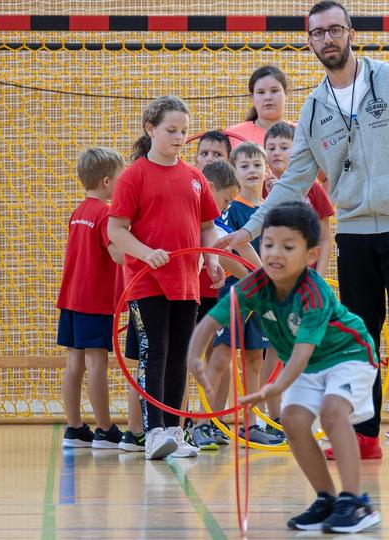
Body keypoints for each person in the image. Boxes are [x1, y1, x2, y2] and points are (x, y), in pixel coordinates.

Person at [217, 0, 389, 463]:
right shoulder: (314, 108)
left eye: (335, 30)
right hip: (354, 231)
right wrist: (250, 227)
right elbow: (292, 183)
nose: (327, 39)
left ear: (350, 33)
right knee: (359, 336)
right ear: (310, 41)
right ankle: (364, 433)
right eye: (318, 33)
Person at [189, 202, 382, 533]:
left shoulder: (313, 291)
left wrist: (274, 388)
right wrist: (194, 356)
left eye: (288, 247)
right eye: (268, 244)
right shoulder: (255, 285)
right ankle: (327, 499)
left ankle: (356, 502)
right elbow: (211, 321)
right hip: (308, 363)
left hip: (349, 355)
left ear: (310, 255)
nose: (275, 253)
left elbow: (302, 354)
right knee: (293, 422)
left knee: (334, 412)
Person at [107, 95, 226, 460]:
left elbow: (208, 227)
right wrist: (146, 253)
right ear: (151, 129)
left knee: (180, 355)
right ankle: (153, 431)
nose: (178, 137)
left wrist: (211, 261)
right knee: (154, 352)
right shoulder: (133, 176)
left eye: (183, 131)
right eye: (171, 130)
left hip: (186, 282)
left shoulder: (194, 179)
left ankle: (175, 430)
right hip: (146, 281)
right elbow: (116, 229)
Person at [204, 142, 284, 445]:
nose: (252, 170)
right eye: (244, 165)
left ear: (266, 170)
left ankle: (251, 423)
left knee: (254, 357)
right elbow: (238, 247)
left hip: (262, 294)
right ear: (233, 173)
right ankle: (205, 422)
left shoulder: (269, 210)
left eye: (257, 164)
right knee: (222, 354)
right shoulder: (230, 209)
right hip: (235, 293)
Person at [57, 147, 127, 448]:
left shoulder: (79, 211)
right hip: (94, 300)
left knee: (74, 363)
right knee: (97, 363)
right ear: (108, 182)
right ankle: (105, 429)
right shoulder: (106, 214)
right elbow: (118, 254)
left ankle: (74, 428)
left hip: (71, 298)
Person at [190, 160, 262, 449]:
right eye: (226, 200)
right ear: (209, 189)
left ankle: (209, 423)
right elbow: (234, 257)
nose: (225, 207)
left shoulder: (216, 222)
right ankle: (196, 424)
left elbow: (240, 247)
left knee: (227, 359)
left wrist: (266, 281)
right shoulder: (205, 221)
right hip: (187, 296)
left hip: (204, 295)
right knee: (197, 360)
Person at [263, 121, 335, 277]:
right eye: (271, 148)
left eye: (283, 147)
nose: (276, 152)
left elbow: (325, 239)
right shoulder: (258, 188)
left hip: (306, 275)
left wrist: (319, 278)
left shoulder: (312, 187)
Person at [225, 65, 290, 148]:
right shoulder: (233, 135)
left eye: (274, 91)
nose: (268, 97)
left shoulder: (300, 132)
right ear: (252, 97)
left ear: (286, 93)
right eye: (261, 92)